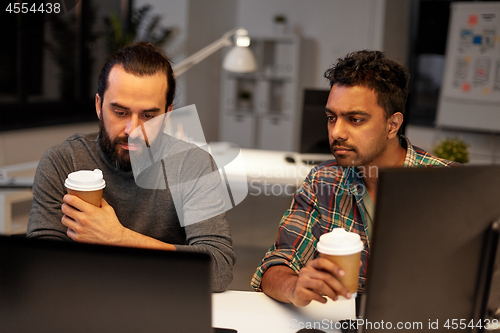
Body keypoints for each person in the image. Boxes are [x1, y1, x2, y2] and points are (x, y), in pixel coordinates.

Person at [251, 50, 457, 306]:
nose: (337, 132)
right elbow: (276, 266)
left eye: (355, 119)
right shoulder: (323, 180)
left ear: (392, 125)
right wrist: (294, 287)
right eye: (331, 118)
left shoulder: (451, 185)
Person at [27, 42, 235, 292]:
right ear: (98, 106)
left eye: (148, 116)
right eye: (120, 112)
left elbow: (219, 269)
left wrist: (118, 238)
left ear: (167, 114)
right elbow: (39, 269)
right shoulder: (63, 162)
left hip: (163, 305)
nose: (133, 130)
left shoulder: (192, 165)